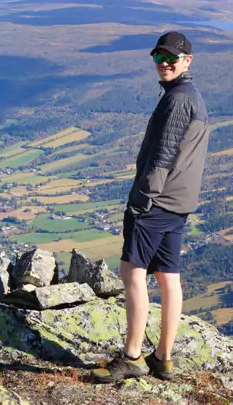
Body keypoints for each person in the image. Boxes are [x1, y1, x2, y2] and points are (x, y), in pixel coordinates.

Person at [94, 31, 209, 383]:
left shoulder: (177, 100)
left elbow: (162, 156)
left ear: (188, 61)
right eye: (159, 58)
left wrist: (142, 201)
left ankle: (132, 356)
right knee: (168, 276)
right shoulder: (192, 98)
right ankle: (164, 358)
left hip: (157, 202)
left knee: (132, 272)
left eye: (172, 58)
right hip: (179, 204)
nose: (164, 64)